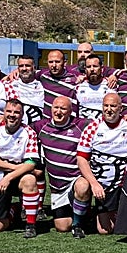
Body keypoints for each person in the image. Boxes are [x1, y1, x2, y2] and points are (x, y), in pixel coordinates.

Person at [71, 92, 127, 237]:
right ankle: (78, 224)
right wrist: (94, 183)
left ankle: (115, 213)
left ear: (121, 108)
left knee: (107, 229)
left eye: (113, 106)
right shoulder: (92, 128)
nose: (109, 109)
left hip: (122, 182)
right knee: (82, 185)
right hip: (99, 179)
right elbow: (81, 159)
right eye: (105, 106)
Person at [0, 98, 42, 238]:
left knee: (30, 180)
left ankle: (31, 225)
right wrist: (12, 167)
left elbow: (31, 163)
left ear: (22, 115)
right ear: (3, 112)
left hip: (16, 177)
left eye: (16, 112)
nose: (12, 115)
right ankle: (14, 209)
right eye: (9, 111)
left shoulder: (29, 132)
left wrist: (8, 177)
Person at [32, 95, 87, 233]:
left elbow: (103, 123)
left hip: (76, 179)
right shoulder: (42, 126)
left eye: (63, 109)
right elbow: (20, 128)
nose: (58, 112)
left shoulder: (81, 125)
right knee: (62, 227)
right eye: (56, 108)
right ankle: (79, 209)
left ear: (70, 111)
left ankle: (78, 224)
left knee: (82, 186)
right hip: (57, 187)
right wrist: (1, 119)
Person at [6, 55, 46, 125]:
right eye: (21, 66)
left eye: (27, 65)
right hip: (16, 130)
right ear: (18, 68)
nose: (24, 69)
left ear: (34, 68)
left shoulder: (43, 85)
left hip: (38, 127)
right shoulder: (9, 85)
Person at [74, 53, 110, 120]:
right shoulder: (78, 87)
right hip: (83, 127)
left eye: (95, 66)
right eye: (88, 67)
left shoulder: (110, 85)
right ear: (85, 69)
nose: (92, 69)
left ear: (101, 68)